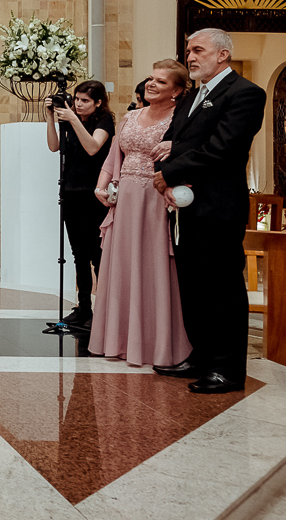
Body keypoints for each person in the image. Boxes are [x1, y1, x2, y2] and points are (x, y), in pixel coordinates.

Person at [154, 30, 266, 394]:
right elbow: (173, 140)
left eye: (198, 50)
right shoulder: (191, 97)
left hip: (219, 206)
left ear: (222, 55)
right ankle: (201, 356)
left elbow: (223, 149)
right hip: (185, 206)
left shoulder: (245, 93)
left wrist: (170, 172)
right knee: (193, 287)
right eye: (188, 50)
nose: (190, 56)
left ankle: (227, 369)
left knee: (222, 288)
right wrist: (167, 175)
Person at [90, 60, 191, 366]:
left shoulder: (180, 120)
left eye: (161, 81)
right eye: (150, 78)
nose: (151, 84)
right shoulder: (130, 116)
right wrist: (101, 186)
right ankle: (118, 340)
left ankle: (154, 345)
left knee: (152, 264)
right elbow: (113, 157)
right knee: (123, 264)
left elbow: (188, 154)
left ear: (176, 91)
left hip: (156, 198)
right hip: (125, 200)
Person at [44, 81, 115, 331]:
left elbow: (93, 147)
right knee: (78, 255)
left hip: (93, 195)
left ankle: (104, 310)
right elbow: (54, 146)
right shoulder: (70, 121)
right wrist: (50, 118)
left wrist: (73, 118)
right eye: (76, 99)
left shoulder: (104, 121)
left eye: (85, 100)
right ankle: (83, 307)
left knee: (97, 254)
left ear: (98, 102)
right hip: (71, 192)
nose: (78, 104)